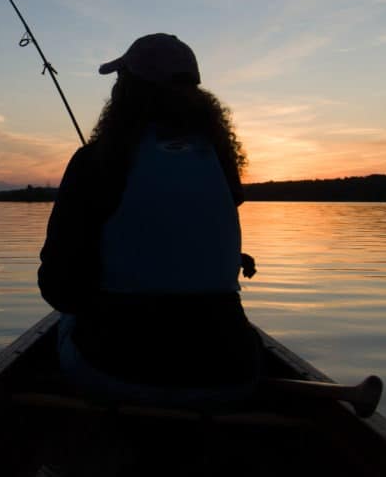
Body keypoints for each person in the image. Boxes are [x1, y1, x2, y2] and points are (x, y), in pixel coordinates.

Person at [38, 33, 260, 405]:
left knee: (65, 322)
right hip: (231, 372)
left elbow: (59, 289)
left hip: (117, 371)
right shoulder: (220, 161)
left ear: (127, 89)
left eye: (119, 79)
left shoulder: (93, 162)